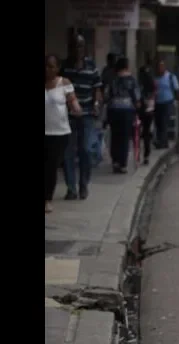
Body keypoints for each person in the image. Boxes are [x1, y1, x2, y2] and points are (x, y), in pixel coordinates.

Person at [61, 34, 103, 200]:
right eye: (74, 46)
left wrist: (96, 105)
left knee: (85, 149)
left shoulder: (91, 67)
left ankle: (83, 184)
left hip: (86, 114)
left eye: (80, 46)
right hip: (68, 115)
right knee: (67, 152)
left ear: (84, 48)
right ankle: (71, 188)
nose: (77, 50)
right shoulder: (64, 67)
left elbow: (97, 89)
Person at [45, 54, 82, 213]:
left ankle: (47, 198)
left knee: (51, 166)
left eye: (52, 66)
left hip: (59, 132)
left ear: (57, 68)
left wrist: (76, 108)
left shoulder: (64, 83)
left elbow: (73, 101)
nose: (48, 69)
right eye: (46, 66)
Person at [105, 56, 141, 174]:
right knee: (125, 137)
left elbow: (107, 95)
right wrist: (138, 106)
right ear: (126, 66)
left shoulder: (113, 79)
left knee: (115, 136)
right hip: (126, 110)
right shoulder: (131, 80)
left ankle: (115, 160)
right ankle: (123, 163)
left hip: (113, 110)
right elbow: (136, 96)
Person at [154, 59, 179, 149]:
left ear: (164, 67)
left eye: (161, 66)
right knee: (158, 123)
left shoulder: (170, 76)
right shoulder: (156, 78)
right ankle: (163, 142)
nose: (160, 68)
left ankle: (161, 142)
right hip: (157, 102)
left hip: (167, 102)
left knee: (164, 122)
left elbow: (177, 89)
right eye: (158, 67)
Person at [137, 54, 156, 165]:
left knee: (139, 132)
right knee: (146, 132)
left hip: (140, 109)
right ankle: (146, 155)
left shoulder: (139, 86)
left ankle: (138, 153)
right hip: (148, 109)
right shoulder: (151, 87)